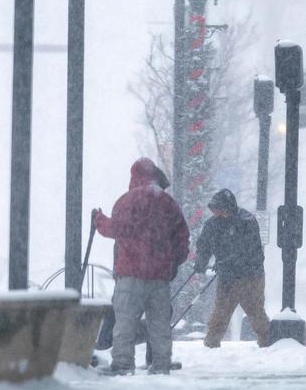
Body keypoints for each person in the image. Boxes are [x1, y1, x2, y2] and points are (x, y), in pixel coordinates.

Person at [94, 157, 189, 375]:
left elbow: (115, 229)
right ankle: (161, 364)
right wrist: (172, 263)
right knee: (159, 324)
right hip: (159, 277)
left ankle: (123, 364)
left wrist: (99, 220)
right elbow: (182, 236)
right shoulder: (167, 202)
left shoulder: (127, 201)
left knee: (125, 323)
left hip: (130, 274)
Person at [193, 189, 271, 347]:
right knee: (221, 311)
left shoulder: (246, 221)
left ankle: (267, 340)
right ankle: (211, 342)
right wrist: (201, 263)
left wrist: (228, 261)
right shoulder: (212, 224)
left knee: (255, 311)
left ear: (228, 207)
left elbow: (249, 250)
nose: (217, 213)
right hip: (228, 277)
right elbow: (204, 246)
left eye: (219, 209)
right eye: (215, 210)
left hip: (250, 277)